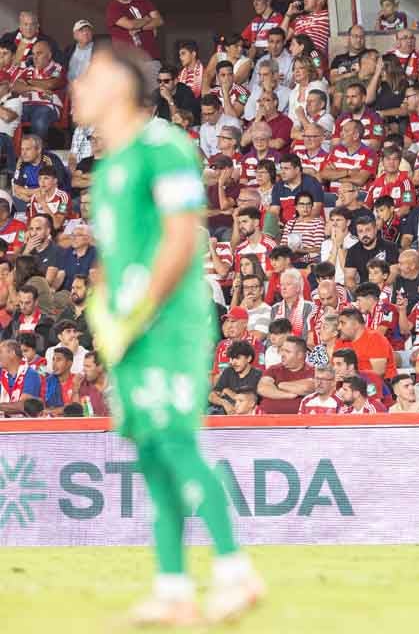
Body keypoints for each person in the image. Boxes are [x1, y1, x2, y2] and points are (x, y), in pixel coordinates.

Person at [73, 45, 261, 623]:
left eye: (89, 77)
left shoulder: (164, 147)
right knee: (151, 451)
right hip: (129, 330)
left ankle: (235, 571)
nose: (77, 87)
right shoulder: (109, 168)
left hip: (169, 323)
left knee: (175, 442)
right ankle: (173, 585)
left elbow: (182, 237)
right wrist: (107, 317)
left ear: (120, 86)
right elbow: (117, 254)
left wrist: (142, 310)